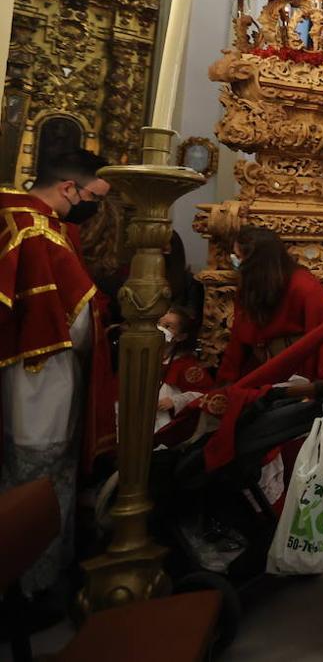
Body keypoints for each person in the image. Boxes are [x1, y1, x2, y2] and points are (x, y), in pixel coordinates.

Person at [0, 149, 115, 617]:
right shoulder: (41, 231)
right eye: (94, 197)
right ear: (69, 188)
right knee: (43, 480)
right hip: (41, 376)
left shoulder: (6, 211)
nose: (93, 209)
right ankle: (36, 591)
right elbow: (80, 324)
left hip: (10, 370)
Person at [217, 226, 323, 384]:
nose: (236, 264)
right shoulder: (249, 286)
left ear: (256, 262)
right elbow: (237, 339)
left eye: (239, 258)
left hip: (297, 379)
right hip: (259, 374)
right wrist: (223, 385)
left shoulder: (304, 286)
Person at [154, 305, 213, 435]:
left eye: (168, 326)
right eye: (159, 323)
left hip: (164, 420)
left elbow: (204, 394)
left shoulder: (186, 365)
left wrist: (175, 401)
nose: (160, 329)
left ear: (180, 337)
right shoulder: (143, 355)